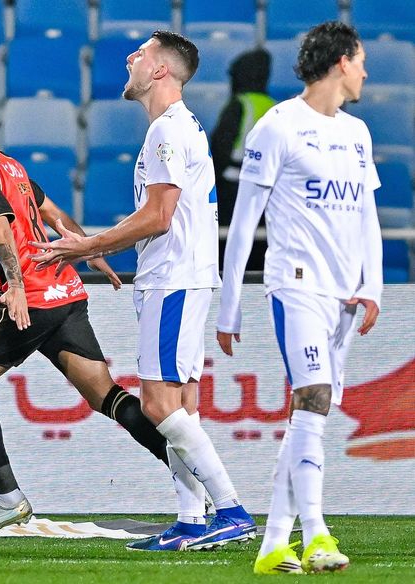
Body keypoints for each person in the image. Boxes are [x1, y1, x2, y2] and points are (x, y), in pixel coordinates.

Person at [0, 84, 174, 536]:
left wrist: (14, 286)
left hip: (29, 296)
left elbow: (0, 229)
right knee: (105, 395)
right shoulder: (5, 162)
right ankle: (193, 480)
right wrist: (87, 249)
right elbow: (50, 211)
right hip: (64, 293)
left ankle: (9, 498)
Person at [30, 31, 256, 551]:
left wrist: (88, 245)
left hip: (173, 278)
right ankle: (192, 519)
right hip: (183, 275)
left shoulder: (167, 130)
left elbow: (158, 216)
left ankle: (231, 510)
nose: (131, 57)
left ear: (160, 71)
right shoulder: (177, 126)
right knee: (181, 407)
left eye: (143, 53)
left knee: (157, 405)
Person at [216, 22, 381, 575]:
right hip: (296, 284)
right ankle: (317, 535)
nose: (365, 73)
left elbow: (367, 215)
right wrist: (230, 304)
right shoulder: (278, 125)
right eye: (361, 61)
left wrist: (372, 286)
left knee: (312, 414)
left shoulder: (357, 133)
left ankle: (272, 545)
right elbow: (243, 224)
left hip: (345, 296)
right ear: (341, 62)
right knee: (312, 396)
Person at [210, 47, 275, 272]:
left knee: (230, 257)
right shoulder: (275, 108)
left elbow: (219, 152)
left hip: (233, 194)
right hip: (267, 194)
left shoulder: (240, 105)